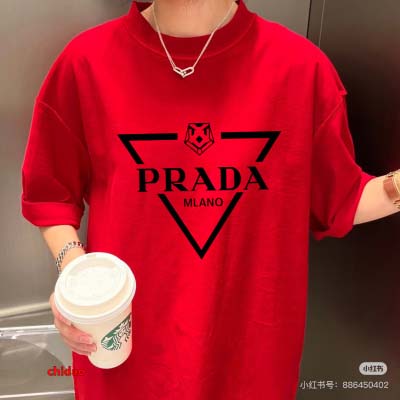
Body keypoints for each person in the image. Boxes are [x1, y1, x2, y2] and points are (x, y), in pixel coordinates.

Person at [20, 0, 400, 399]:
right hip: (122, 348)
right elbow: (51, 194)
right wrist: (76, 280)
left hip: (251, 361)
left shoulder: (301, 69)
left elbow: (340, 200)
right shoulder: (86, 63)